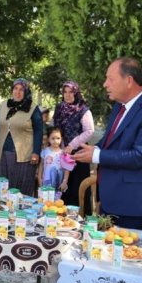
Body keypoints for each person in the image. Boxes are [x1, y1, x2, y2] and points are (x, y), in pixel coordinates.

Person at [72, 57, 142, 229]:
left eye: (110, 79)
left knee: (128, 255)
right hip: (110, 200)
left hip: (133, 206)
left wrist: (97, 155)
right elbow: (111, 139)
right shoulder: (119, 106)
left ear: (129, 80)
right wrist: (96, 148)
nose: (105, 84)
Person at [0, 78, 43, 196]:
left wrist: (36, 152)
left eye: (21, 90)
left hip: (24, 156)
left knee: (20, 190)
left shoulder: (33, 108)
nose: (17, 92)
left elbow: (39, 131)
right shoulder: (3, 105)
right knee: (2, 188)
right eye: (15, 89)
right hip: (3, 153)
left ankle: (20, 213)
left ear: (26, 91)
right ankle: (1, 212)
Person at [52, 80, 94, 209]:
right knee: (62, 190)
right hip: (62, 153)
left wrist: (72, 145)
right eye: (65, 92)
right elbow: (54, 127)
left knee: (78, 189)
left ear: (76, 93)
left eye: (71, 92)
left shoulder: (83, 110)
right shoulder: (60, 108)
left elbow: (89, 131)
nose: (67, 95)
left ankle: (80, 221)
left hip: (79, 156)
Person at [37, 127, 70, 192]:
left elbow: (67, 169)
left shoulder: (63, 153)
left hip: (58, 185)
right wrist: (39, 179)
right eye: (53, 138)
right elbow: (41, 165)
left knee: (56, 202)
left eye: (58, 138)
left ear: (61, 139)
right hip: (45, 184)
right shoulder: (45, 151)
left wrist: (64, 182)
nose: (55, 141)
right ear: (48, 139)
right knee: (45, 200)